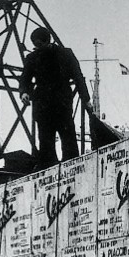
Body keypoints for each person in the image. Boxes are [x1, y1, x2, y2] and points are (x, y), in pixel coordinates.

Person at [19, 27, 92, 169]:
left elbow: (78, 77)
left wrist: (86, 99)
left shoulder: (65, 54)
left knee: (68, 138)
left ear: (47, 40)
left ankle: (71, 168)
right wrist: (24, 92)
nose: (37, 47)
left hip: (60, 103)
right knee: (46, 142)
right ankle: (49, 169)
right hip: (45, 105)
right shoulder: (33, 58)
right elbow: (24, 80)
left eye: (39, 44)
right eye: (35, 44)